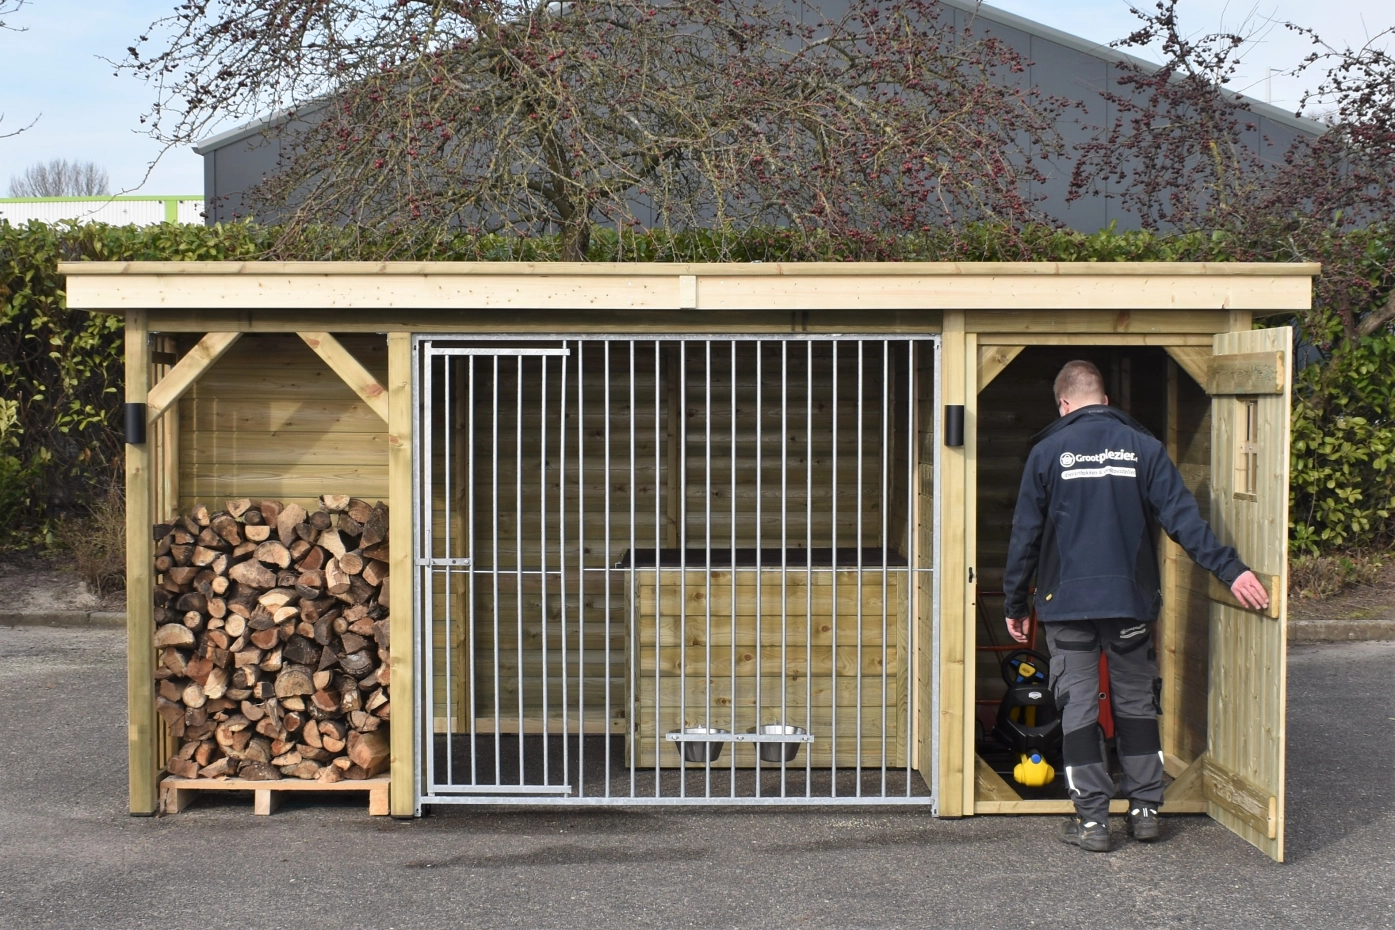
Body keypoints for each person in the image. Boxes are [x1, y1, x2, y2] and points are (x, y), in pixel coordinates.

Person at [1002, 360, 1270, 853]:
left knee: (1078, 705)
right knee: (1135, 702)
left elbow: (1026, 535)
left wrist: (1015, 601)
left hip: (1068, 606)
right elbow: (1183, 519)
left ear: (1063, 405)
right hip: (1129, 603)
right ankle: (1145, 810)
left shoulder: (1046, 451)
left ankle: (1093, 822)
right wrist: (1231, 570)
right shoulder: (1143, 448)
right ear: (1105, 401)